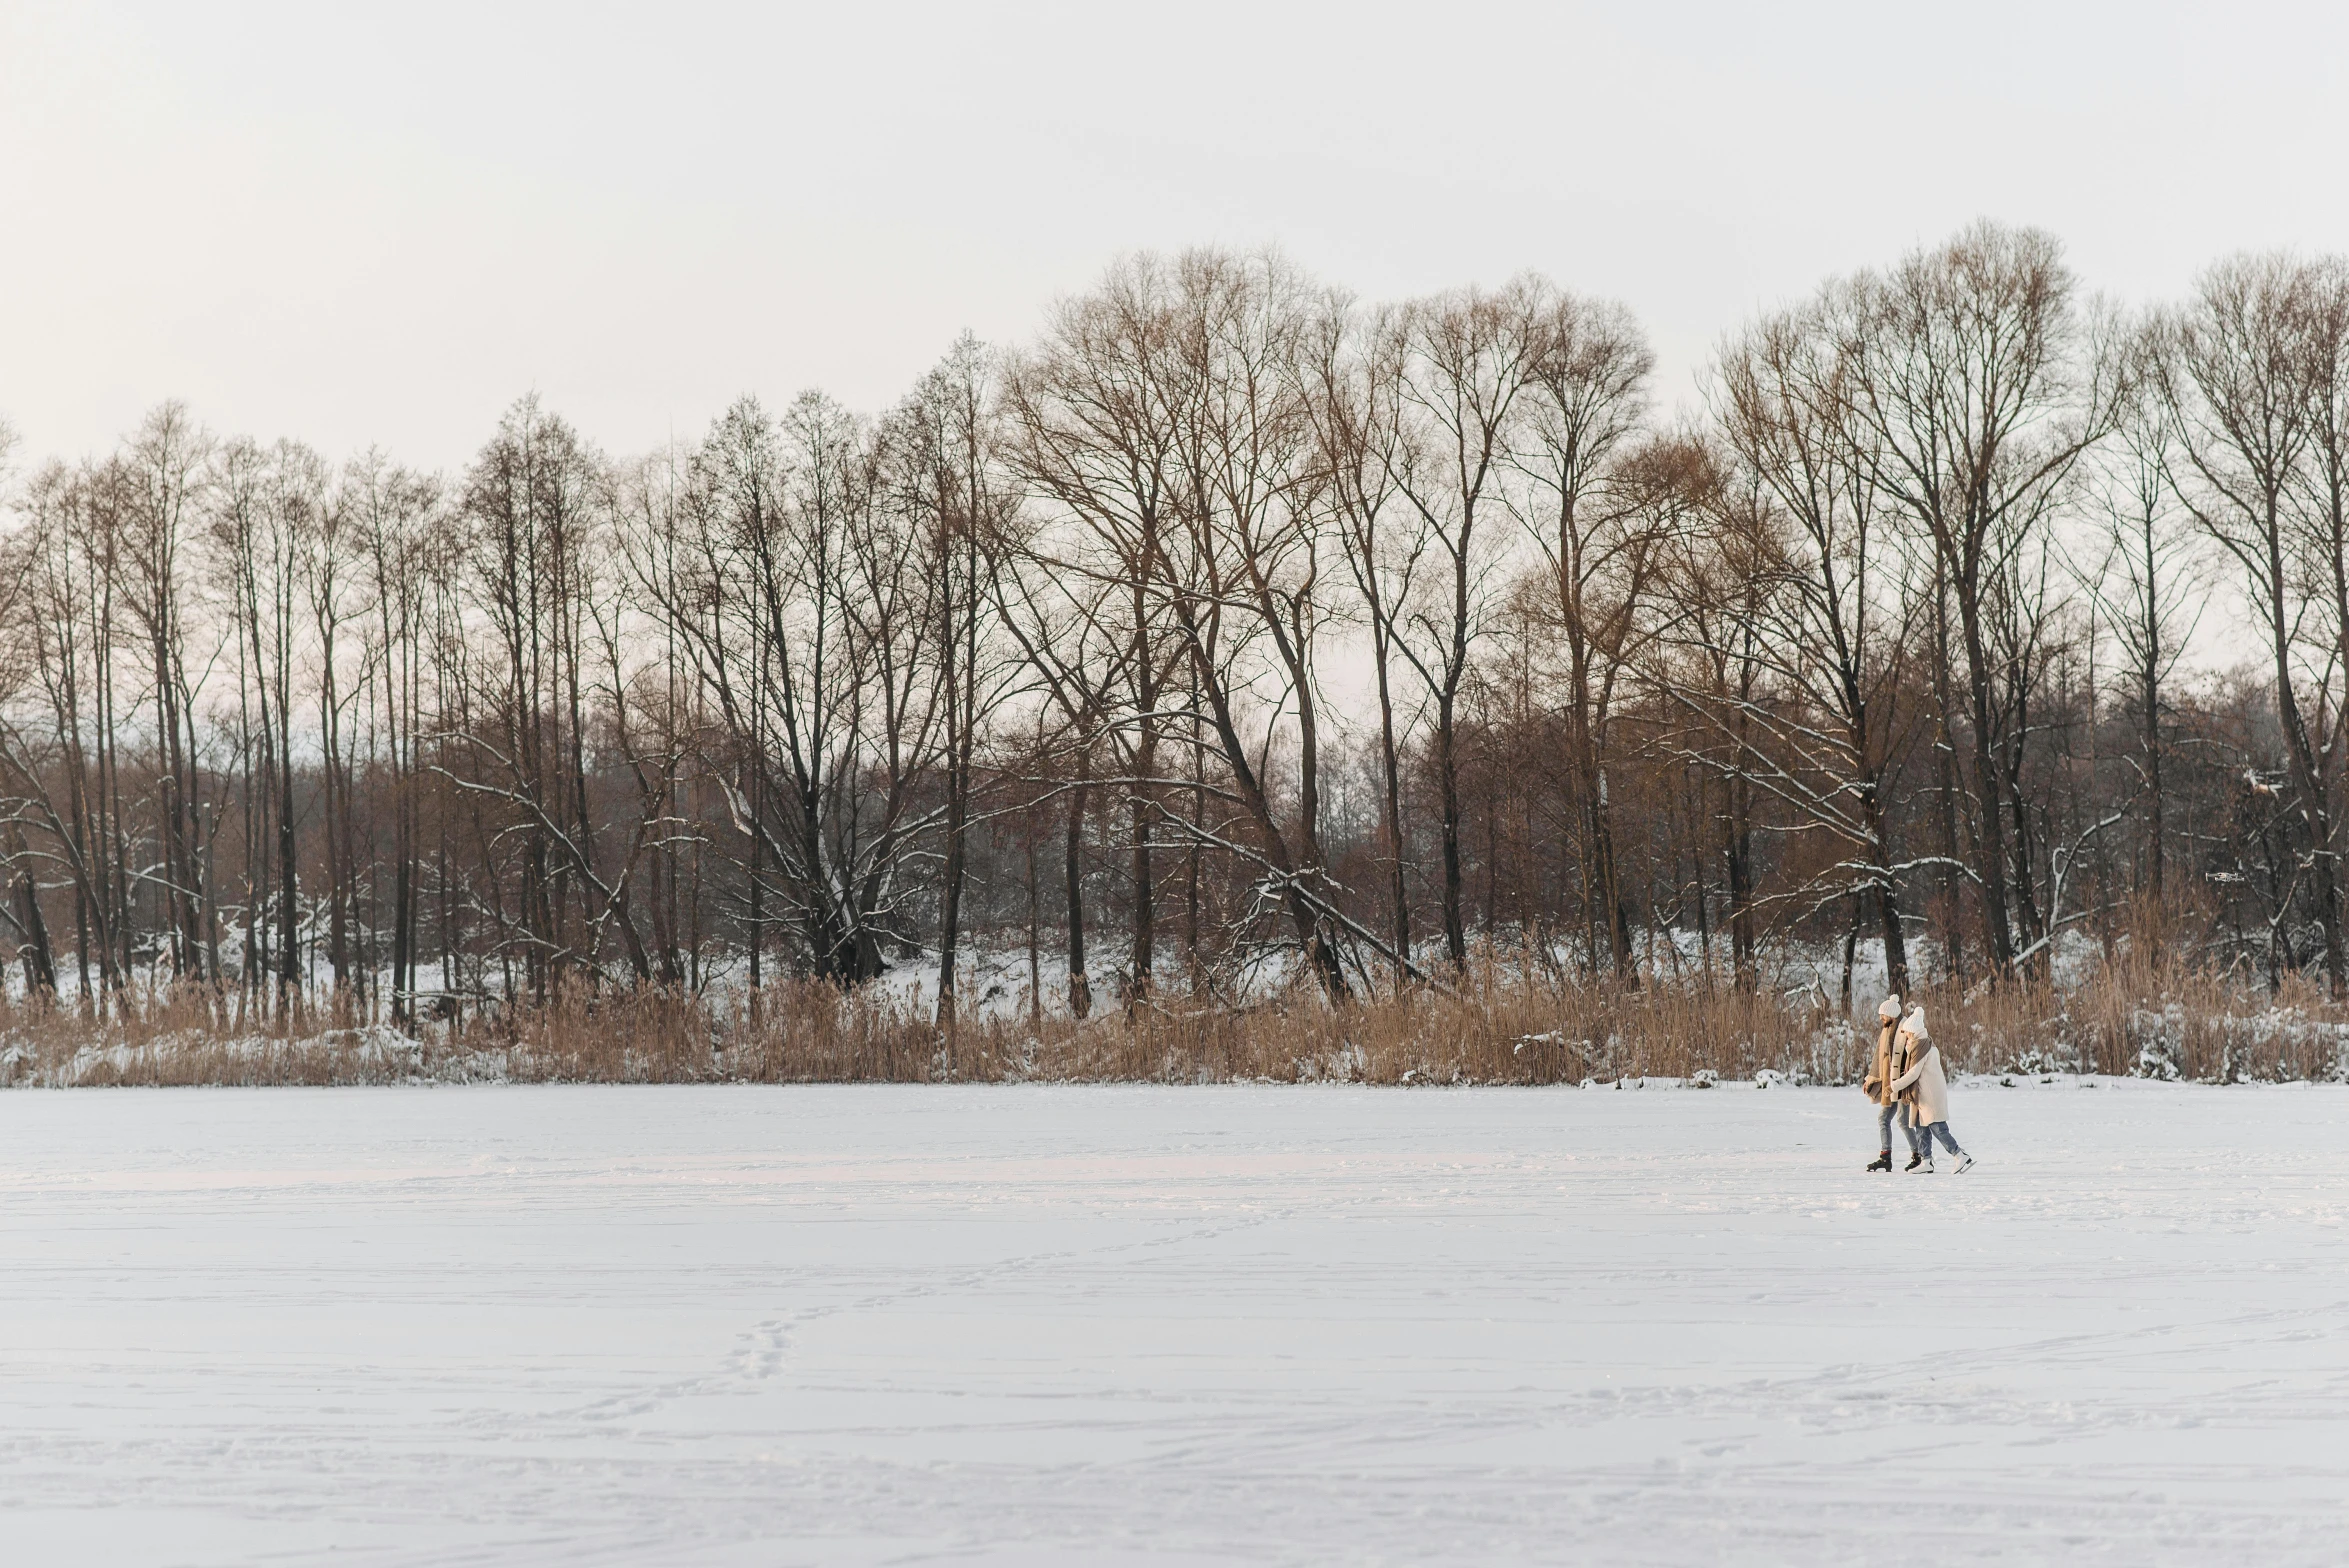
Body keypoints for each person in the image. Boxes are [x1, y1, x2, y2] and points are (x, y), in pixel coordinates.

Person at [1888, 1006, 1974, 1173]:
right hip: (1921, 1095)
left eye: (1906, 1033)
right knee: (1921, 1127)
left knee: (1937, 1128)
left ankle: (1959, 1155)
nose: (1905, 1036)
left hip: (1930, 1095)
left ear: (1913, 1032)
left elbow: (1913, 1074)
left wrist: (1893, 1086)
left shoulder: (1922, 1048)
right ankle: (1926, 1161)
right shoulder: (1921, 1046)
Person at [1860, 994, 1917, 1172]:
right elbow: (1879, 1057)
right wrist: (1870, 1079)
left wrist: (1905, 1078)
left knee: (1901, 1120)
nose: (1881, 1018)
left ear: (1891, 1014)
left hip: (1902, 1083)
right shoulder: (1887, 1030)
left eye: (1883, 1015)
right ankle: (1885, 1157)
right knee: (1884, 1118)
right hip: (1889, 1084)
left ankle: (1919, 1156)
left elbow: (1914, 1054)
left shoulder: (1906, 1028)